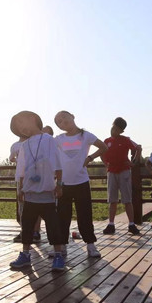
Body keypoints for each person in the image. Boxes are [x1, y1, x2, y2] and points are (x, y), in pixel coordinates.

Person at [9, 111, 65, 271]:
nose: (22, 128)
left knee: (53, 225)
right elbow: (21, 170)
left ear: (33, 119)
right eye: (18, 128)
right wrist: (21, 189)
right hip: (30, 193)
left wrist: (59, 184)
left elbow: (58, 163)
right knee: (27, 225)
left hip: (47, 192)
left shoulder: (49, 140)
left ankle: (58, 255)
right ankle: (25, 254)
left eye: (22, 123)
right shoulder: (24, 145)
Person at [54, 111, 108, 259]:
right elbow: (49, 153)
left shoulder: (86, 136)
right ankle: (62, 246)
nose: (62, 121)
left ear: (72, 116)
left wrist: (90, 157)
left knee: (85, 215)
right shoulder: (58, 139)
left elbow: (104, 147)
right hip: (64, 183)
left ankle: (91, 245)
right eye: (59, 121)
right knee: (63, 216)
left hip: (81, 182)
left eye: (64, 117)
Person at [100, 117, 141, 235]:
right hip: (111, 171)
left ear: (121, 131)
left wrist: (134, 162)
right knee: (112, 200)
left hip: (124, 171)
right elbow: (101, 153)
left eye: (117, 129)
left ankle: (131, 224)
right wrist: (105, 163)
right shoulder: (106, 141)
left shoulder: (126, 140)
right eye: (113, 128)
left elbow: (138, 147)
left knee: (127, 199)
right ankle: (111, 224)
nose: (113, 131)